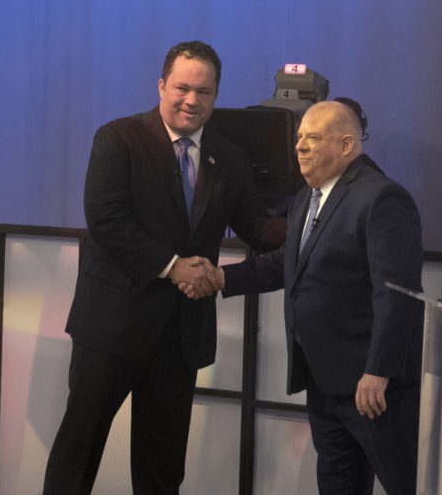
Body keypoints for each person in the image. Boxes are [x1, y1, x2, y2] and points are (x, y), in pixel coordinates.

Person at [43, 40, 285, 495]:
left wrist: (321, 215)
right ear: (161, 86)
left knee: (162, 467)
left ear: (216, 95)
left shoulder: (228, 157)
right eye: (182, 87)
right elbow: (107, 222)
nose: (192, 100)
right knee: (77, 454)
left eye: (205, 91)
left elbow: (258, 228)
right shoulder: (118, 139)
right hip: (111, 329)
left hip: (180, 336)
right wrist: (174, 267)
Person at [185, 100, 424, 494]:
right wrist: (219, 278)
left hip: (372, 388)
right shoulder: (307, 197)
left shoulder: (381, 199)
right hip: (324, 381)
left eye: (313, 138)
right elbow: (284, 264)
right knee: (337, 484)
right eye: (299, 138)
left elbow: (396, 294)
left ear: (347, 144)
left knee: (404, 483)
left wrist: (378, 371)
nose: (300, 147)